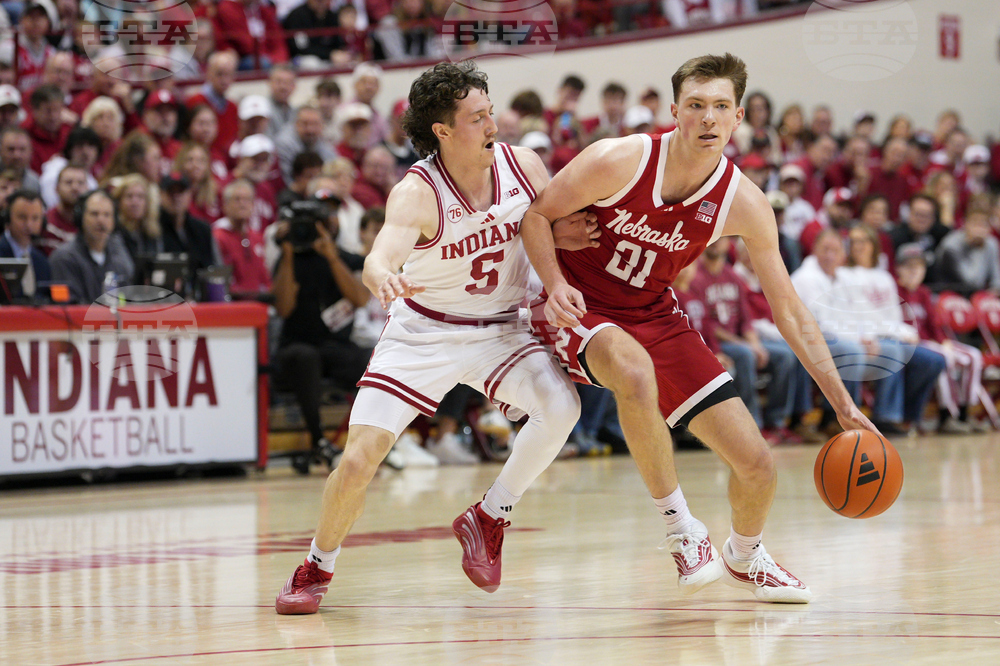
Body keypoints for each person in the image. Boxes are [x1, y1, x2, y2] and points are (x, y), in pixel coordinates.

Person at [522, 53, 877, 604]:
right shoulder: (620, 159)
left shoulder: (745, 203)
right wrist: (552, 280)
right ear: (674, 112)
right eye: (696, 106)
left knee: (757, 465)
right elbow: (536, 216)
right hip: (579, 304)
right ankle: (682, 529)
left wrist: (843, 404)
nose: (708, 119)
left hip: (654, 313)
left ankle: (746, 553)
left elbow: (789, 310)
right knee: (635, 372)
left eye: (719, 108)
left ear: (738, 119)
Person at [274, 61, 595, 614]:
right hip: (424, 332)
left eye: (491, 111)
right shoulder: (417, 191)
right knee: (359, 459)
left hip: (501, 328)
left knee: (562, 407)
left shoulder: (526, 165)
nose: (492, 124)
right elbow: (380, 256)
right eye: (477, 117)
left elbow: (560, 227)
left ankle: (490, 515)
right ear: (442, 131)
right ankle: (317, 564)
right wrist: (382, 276)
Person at [845, 224, 946, 434]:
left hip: (891, 335)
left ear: (874, 245)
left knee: (934, 360)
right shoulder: (844, 274)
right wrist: (867, 336)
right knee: (894, 352)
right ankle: (885, 417)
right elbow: (852, 314)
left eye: (863, 241)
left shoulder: (884, 277)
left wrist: (905, 332)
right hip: (866, 337)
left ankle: (910, 416)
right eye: (854, 241)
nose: (858, 246)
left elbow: (893, 316)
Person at [895, 243, 991, 434]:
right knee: (946, 359)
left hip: (931, 341)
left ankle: (965, 414)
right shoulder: (895, 292)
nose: (915, 271)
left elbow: (935, 324)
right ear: (899, 268)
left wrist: (944, 340)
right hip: (913, 343)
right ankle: (946, 415)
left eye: (919, 266)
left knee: (973, 356)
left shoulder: (923, 292)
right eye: (909, 266)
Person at [49, 189, 134, 304]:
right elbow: (69, 309)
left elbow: (129, 300)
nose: (101, 220)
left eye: (107, 215)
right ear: (80, 217)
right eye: (94, 214)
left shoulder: (120, 258)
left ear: (114, 221)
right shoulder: (64, 258)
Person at [0, 189, 50, 301]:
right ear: (7, 218)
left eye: (35, 218)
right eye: (22, 217)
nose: (29, 225)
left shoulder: (42, 261)